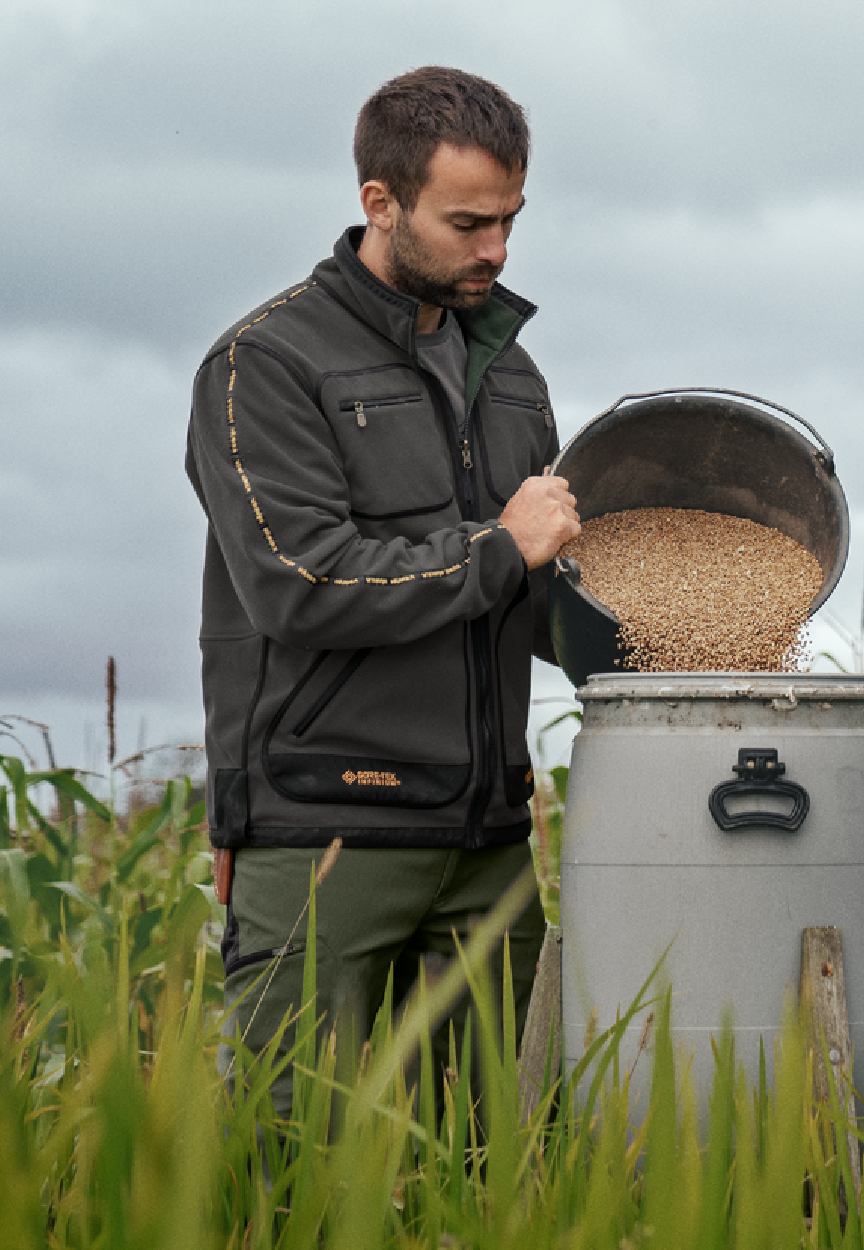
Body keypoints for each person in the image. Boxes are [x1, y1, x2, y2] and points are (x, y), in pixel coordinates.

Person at [185, 66, 580, 1118]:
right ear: (382, 202)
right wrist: (501, 547)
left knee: (503, 1158)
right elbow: (301, 584)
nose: (497, 250)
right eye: (468, 223)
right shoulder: (264, 362)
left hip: (489, 842)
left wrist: (663, 634)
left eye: (510, 219)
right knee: (289, 1161)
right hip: (323, 832)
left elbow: (534, 592)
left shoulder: (513, 376)